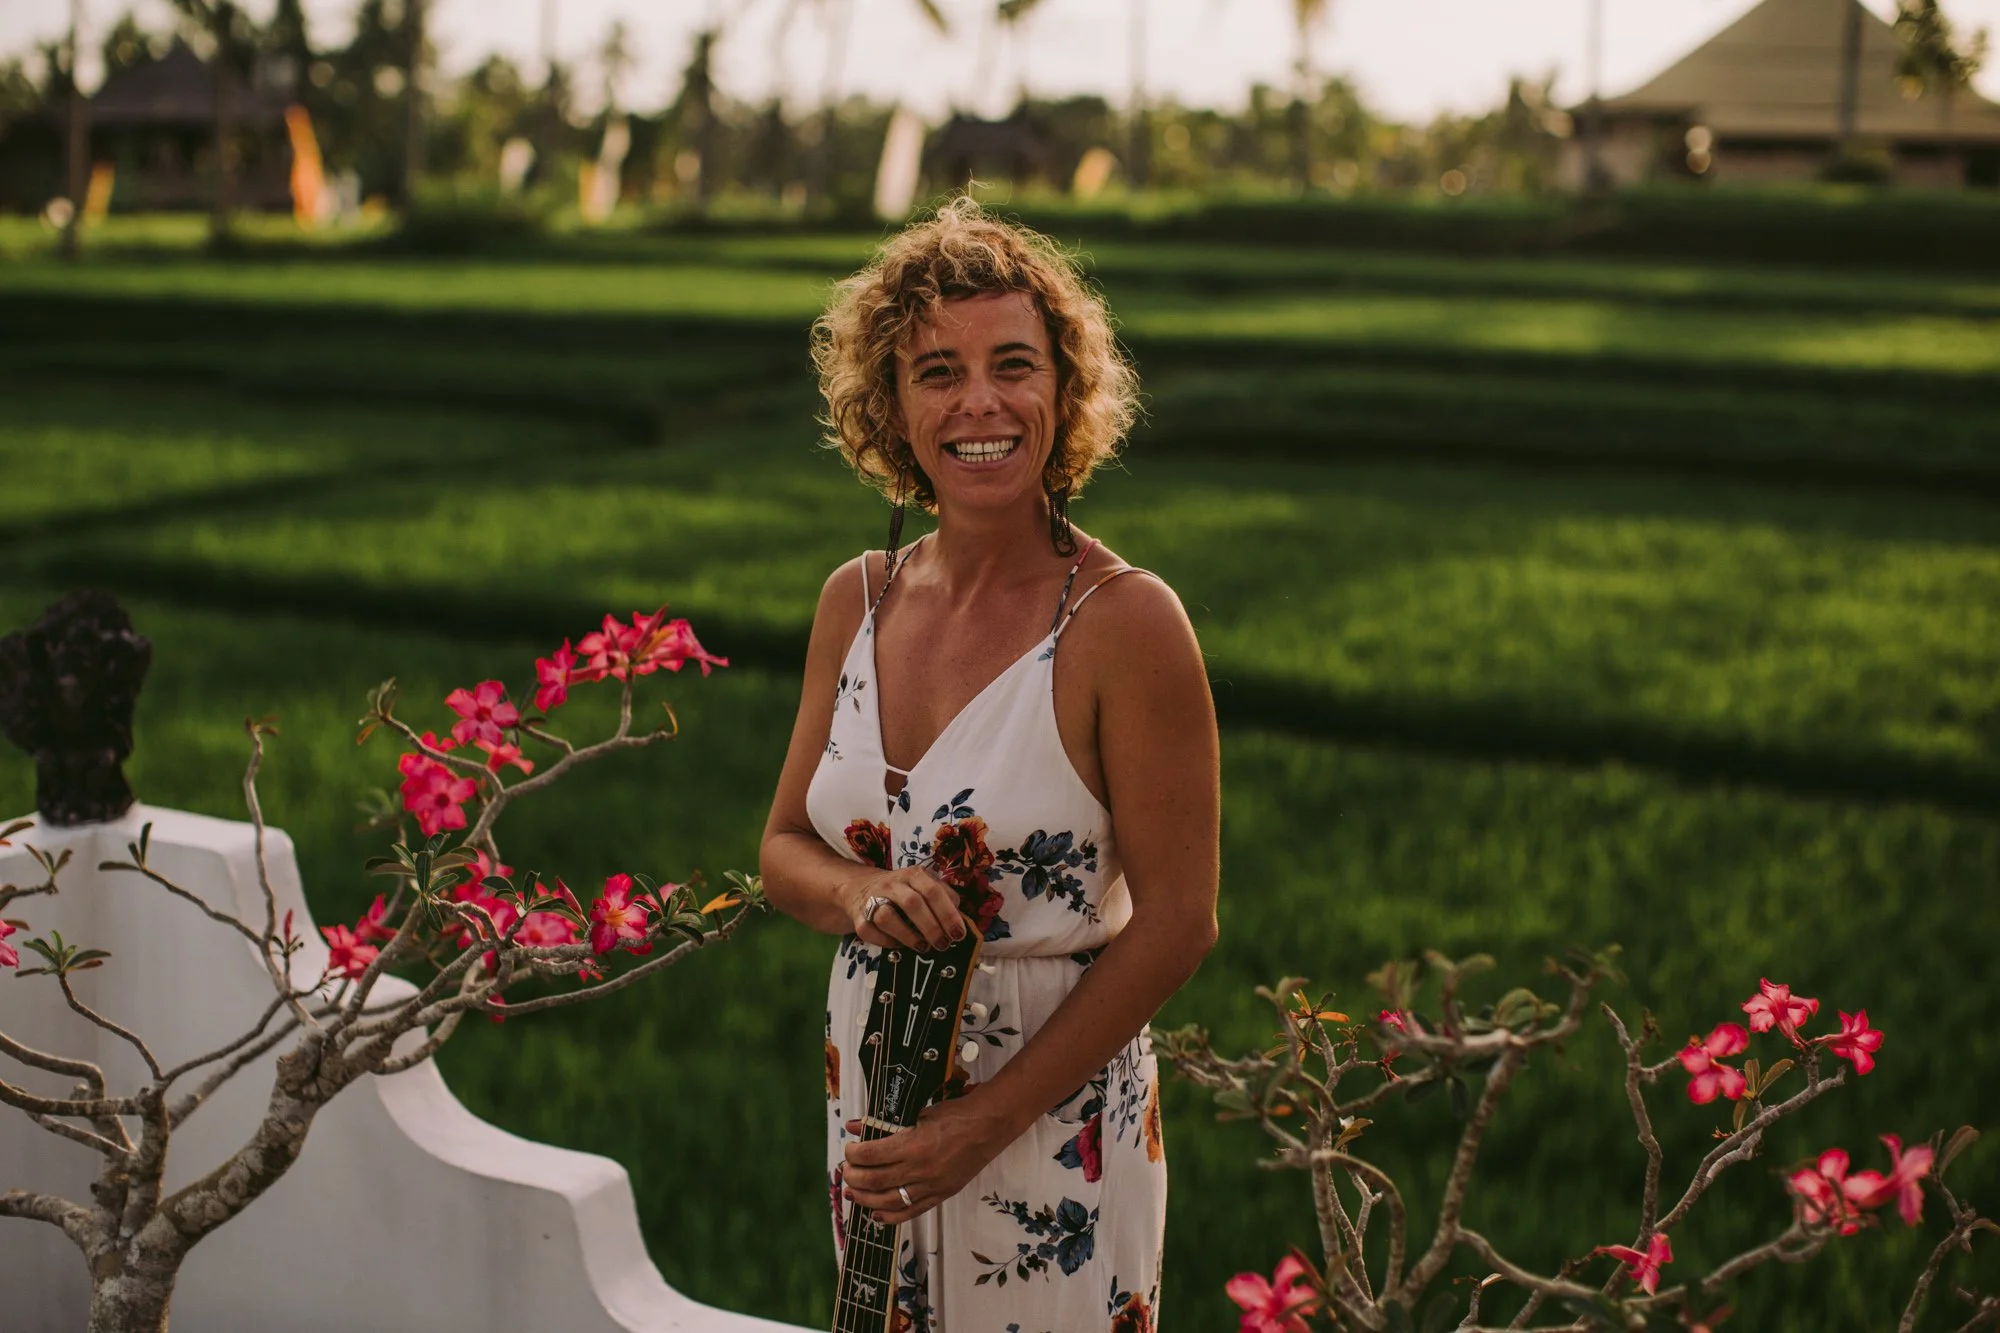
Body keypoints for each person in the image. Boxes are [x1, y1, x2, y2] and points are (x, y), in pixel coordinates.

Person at [760, 196, 1220, 1331]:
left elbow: (1177, 920)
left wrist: (987, 1119)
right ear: (890, 406)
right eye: (936, 373)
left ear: (1062, 395)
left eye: (1013, 365)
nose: (979, 403)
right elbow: (781, 852)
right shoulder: (854, 599)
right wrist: (862, 889)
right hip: (874, 1086)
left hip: (1054, 1111)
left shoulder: (1124, 622)